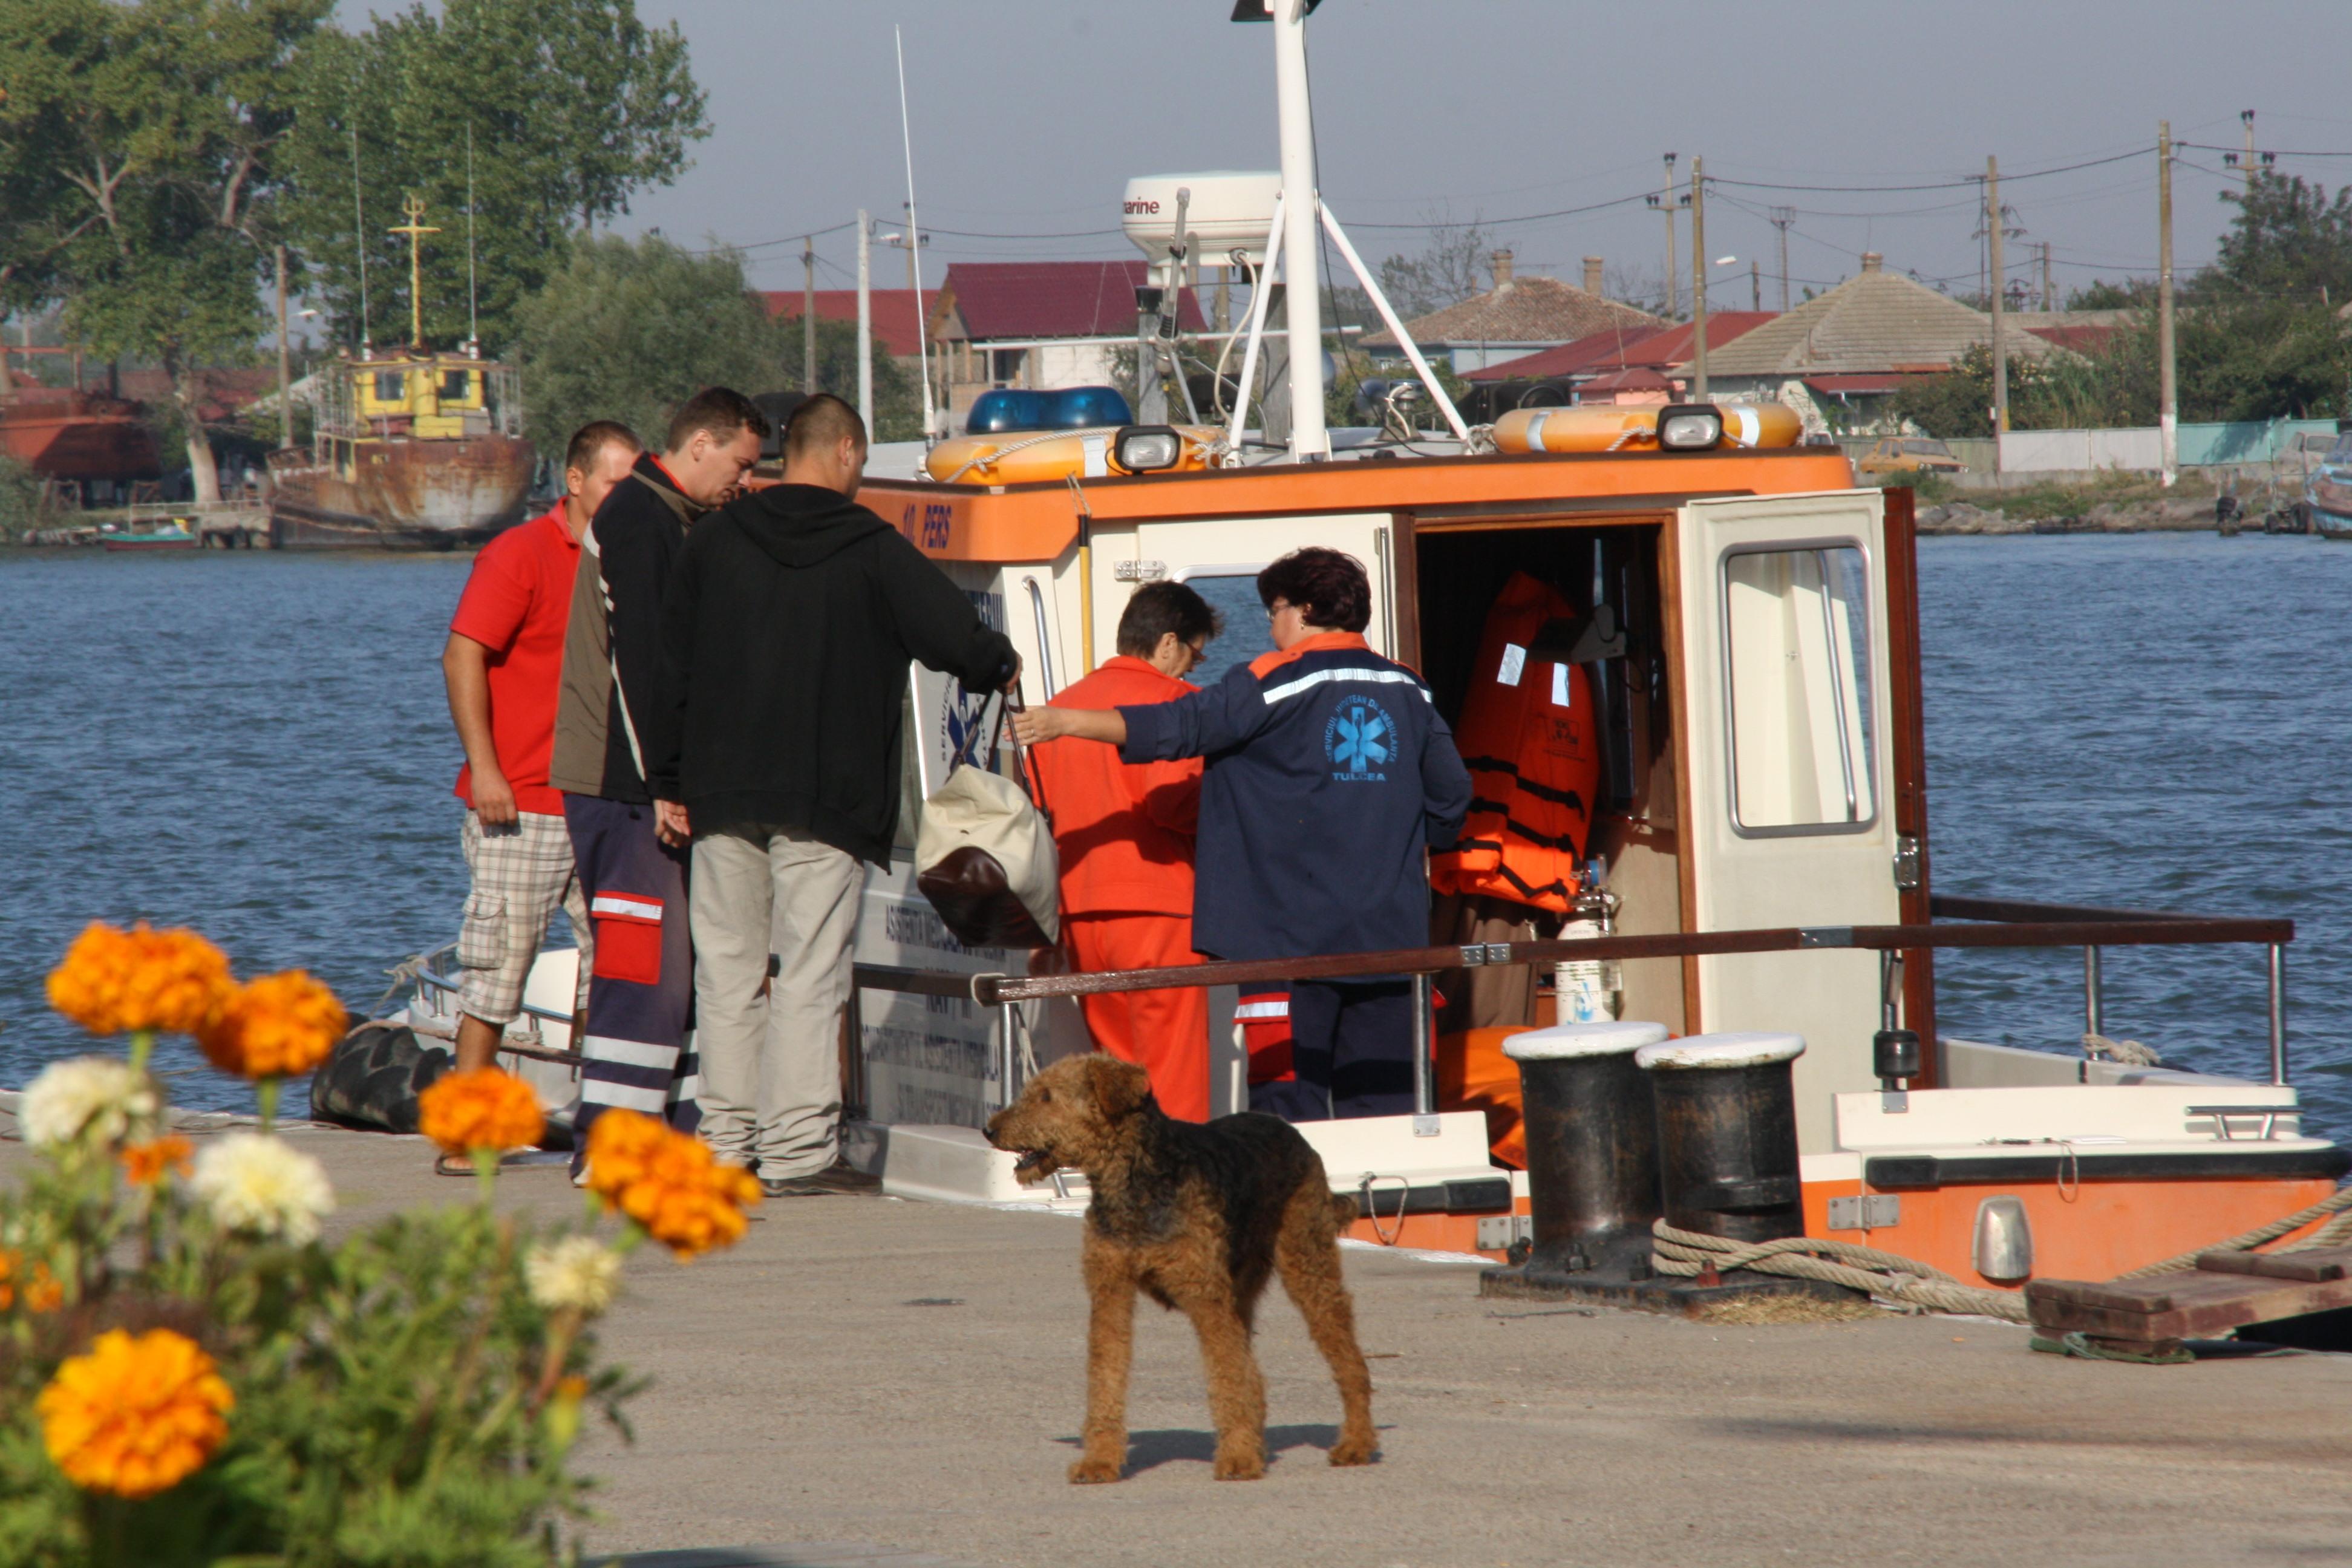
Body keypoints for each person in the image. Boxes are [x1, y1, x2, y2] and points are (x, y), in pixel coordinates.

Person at [654, 394, 1019, 1196]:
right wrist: (1000, 662)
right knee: (810, 975)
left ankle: (724, 1146)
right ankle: (795, 1153)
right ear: (849, 451)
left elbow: (666, 668)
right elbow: (958, 641)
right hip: (828, 797)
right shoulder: (872, 548)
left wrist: (669, 783)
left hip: (720, 793)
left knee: (727, 974)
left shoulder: (713, 539)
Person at [1012, 547, 1471, 1121]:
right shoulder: (1410, 688)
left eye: (1273, 611)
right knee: (1388, 1111)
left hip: (1287, 942)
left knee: (1287, 1117)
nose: (1272, 627)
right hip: (1391, 939)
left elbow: (1181, 727)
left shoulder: (1270, 681)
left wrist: (1065, 721)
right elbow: (1451, 800)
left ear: (1303, 611)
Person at [549, 387, 768, 1169]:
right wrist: (668, 784)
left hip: (647, 783)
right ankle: (611, 1147)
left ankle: (676, 1138)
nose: (745, 479)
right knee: (643, 968)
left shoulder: (673, 517)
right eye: (741, 463)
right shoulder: (642, 522)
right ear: (701, 445)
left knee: (681, 969)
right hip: (624, 784)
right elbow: (642, 668)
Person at [440, 420, 642, 1142]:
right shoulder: (519, 553)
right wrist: (487, 769)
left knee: (614, 969)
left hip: (609, 802)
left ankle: (598, 1123)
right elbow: (461, 656)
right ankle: (465, 1130)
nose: (627, 495)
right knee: (498, 969)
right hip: (522, 802)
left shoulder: (633, 557)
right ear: (576, 481)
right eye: (616, 481)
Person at [1029, 581, 1221, 1122]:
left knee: (1116, 1079)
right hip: (1159, 908)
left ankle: (1124, 1170)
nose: (1193, 669)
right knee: (1173, 1078)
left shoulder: (1062, 706)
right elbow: (1173, 804)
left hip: (1081, 911)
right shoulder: (1178, 703)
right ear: (1168, 643)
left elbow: (1041, 816)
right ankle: (1178, 1175)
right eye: (1195, 655)